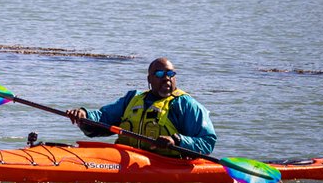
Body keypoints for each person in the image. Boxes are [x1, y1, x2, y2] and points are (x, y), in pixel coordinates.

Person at [64, 57, 217, 157]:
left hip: (166, 164)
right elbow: (103, 118)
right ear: (149, 79)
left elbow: (207, 142)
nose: (166, 78)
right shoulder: (132, 99)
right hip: (123, 158)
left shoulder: (186, 105)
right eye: (159, 74)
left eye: (170, 73)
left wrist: (176, 141)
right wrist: (83, 115)